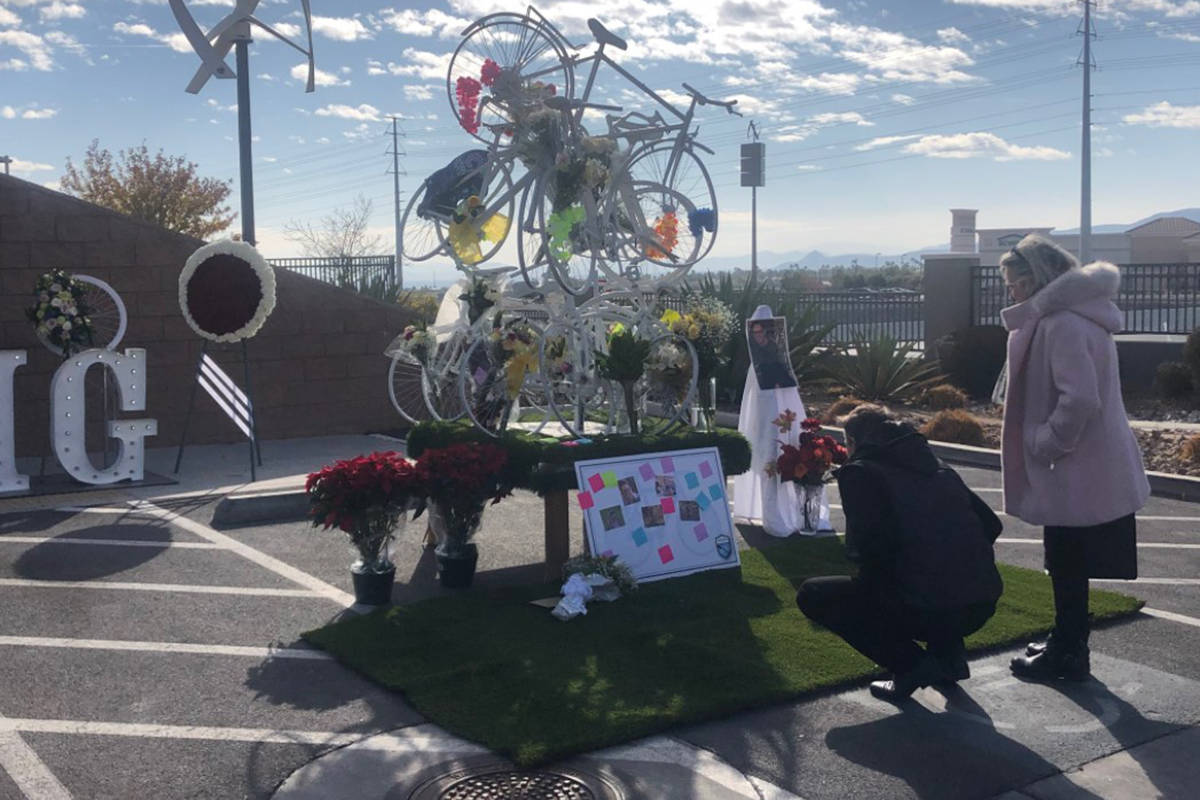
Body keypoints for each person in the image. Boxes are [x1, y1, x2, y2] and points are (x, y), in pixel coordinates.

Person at [998, 234, 1149, 682]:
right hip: (1083, 465)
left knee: (1066, 560)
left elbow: (1080, 399)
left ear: (1035, 279)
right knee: (1067, 560)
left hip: (1071, 465)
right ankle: (1066, 640)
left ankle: (1068, 652)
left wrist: (1046, 442)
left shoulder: (1061, 322)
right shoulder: (1075, 318)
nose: (1010, 291)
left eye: (1014, 281)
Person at [796, 404, 1003, 701]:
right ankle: (949, 657)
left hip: (927, 606)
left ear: (853, 443)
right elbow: (991, 525)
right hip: (981, 602)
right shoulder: (937, 466)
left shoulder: (862, 473)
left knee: (814, 595)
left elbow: (871, 552)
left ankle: (911, 666)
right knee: (935, 570)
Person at [748, 320, 797, 390]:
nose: (758, 335)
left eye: (760, 331)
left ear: (764, 331)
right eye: (755, 332)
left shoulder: (773, 347)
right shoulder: (751, 347)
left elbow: (780, 366)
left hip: (773, 381)